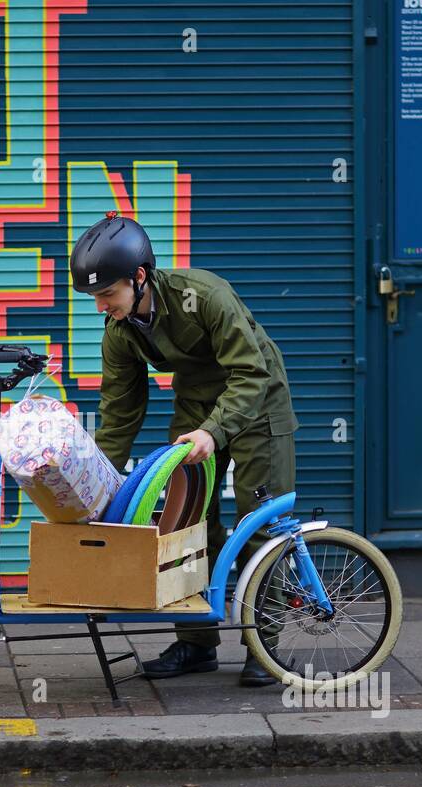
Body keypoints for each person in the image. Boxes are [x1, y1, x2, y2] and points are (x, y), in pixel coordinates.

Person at [73, 212, 299, 686]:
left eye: (107, 294)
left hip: (258, 402)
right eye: (94, 297)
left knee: (260, 525)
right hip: (197, 406)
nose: (100, 306)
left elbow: (251, 373)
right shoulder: (120, 332)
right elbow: (118, 415)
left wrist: (214, 433)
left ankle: (265, 644)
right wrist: (95, 485)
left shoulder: (205, 296)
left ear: (139, 277)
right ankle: (196, 642)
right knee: (189, 525)